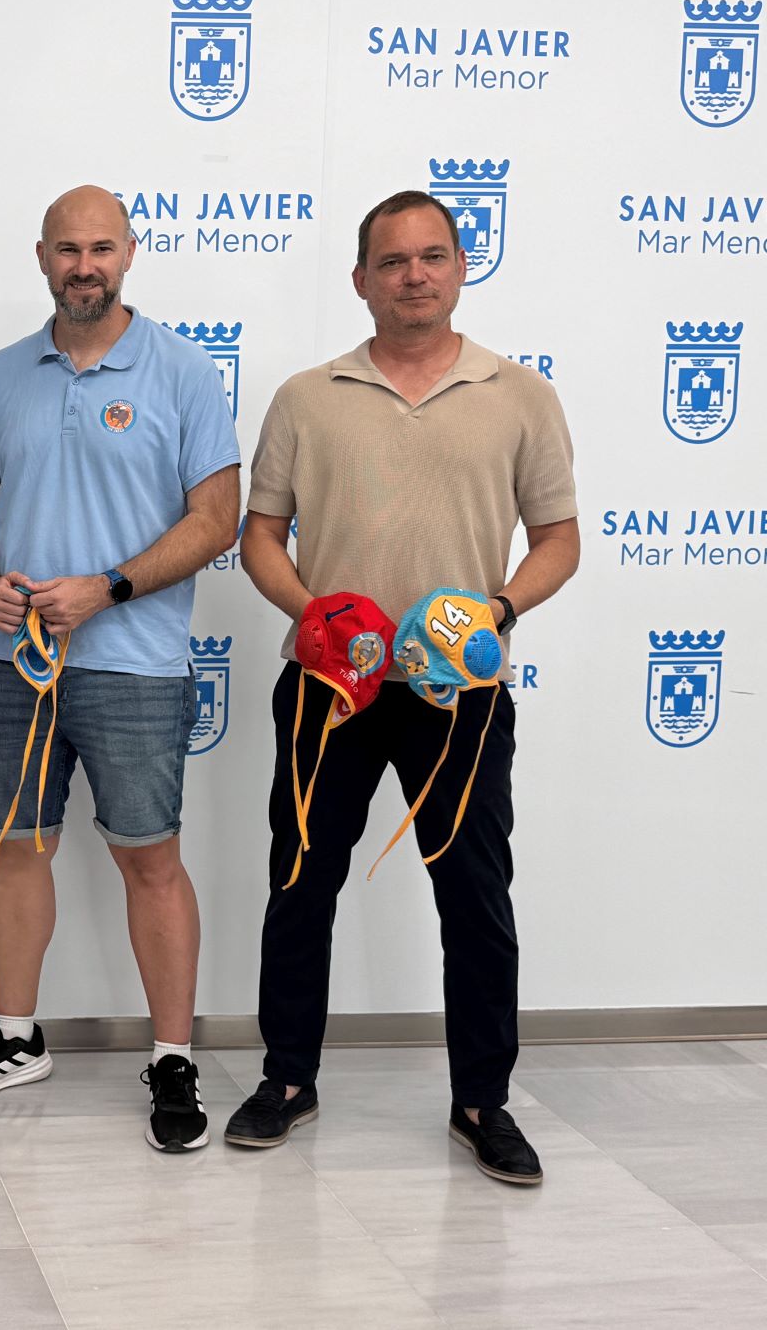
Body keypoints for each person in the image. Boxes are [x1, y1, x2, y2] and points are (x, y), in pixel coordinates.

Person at [225, 191, 579, 1184]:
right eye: (392, 261)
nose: (413, 275)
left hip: (457, 694)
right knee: (301, 884)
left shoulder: (521, 395)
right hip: (329, 688)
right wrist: (312, 612)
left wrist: (498, 610)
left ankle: (483, 1102)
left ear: (461, 268)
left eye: (432, 257)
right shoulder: (307, 396)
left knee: (475, 895)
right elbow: (261, 535)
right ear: (361, 280)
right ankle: (286, 1079)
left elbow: (559, 540)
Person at [0, 185, 240, 1152]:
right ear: (42, 257)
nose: (84, 265)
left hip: (135, 666)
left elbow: (217, 520)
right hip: (12, 663)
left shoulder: (184, 371)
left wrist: (108, 588)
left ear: (130, 253)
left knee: (151, 861)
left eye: (102, 247)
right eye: (68, 249)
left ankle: (173, 1057)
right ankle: (17, 1039)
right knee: (17, 847)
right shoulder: (1, 375)